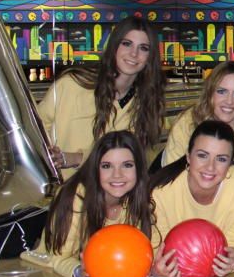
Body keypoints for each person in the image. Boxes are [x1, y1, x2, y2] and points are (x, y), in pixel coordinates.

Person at [38, 16, 166, 178]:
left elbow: (133, 160)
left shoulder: (147, 103)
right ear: (114, 47)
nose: (134, 53)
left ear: (150, 57)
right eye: (126, 44)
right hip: (64, 193)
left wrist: (77, 158)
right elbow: (34, 129)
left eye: (143, 48)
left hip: (108, 197)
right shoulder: (71, 85)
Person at [22, 131, 153, 277]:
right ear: (95, 169)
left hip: (110, 276)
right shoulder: (74, 197)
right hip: (48, 274)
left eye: (127, 165)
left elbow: (135, 254)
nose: (117, 175)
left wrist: (142, 271)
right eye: (106, 166)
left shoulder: (141, 199)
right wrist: (80, 272)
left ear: (139, 169)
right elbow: (57, 257)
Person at [149, 121, 234, 277]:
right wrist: (157, 272)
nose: (210, 167)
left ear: (230, 164)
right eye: (202, 155)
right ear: (188, 157)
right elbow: (157, 250)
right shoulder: (161, 192)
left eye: (221, 159)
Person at [163, 62, 234, 174]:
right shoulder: (186, 123)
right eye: (221, 91)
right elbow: (171, 179)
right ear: (210, 93)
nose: (229, 101)